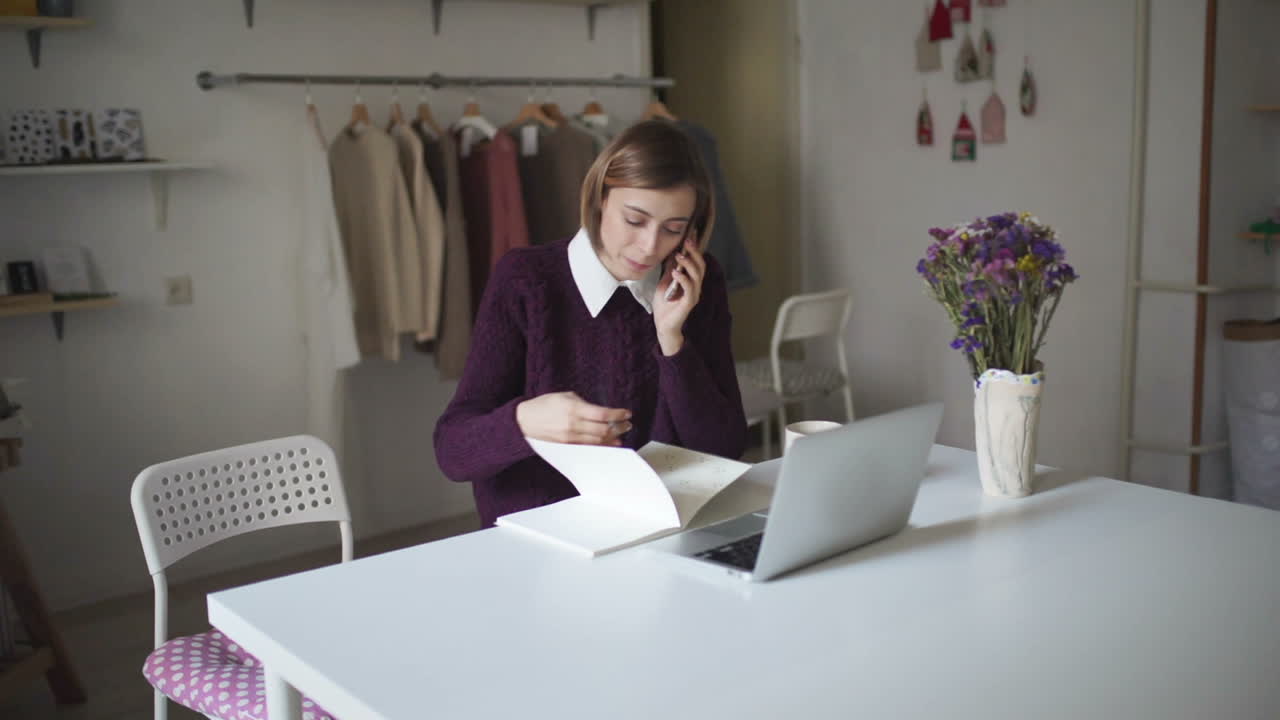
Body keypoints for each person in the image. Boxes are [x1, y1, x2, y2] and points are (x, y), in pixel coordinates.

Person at [433, 120, 748, 528]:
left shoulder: (697, 284)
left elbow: (724, 448)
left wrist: (672, 341)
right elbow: (452, 452)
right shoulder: (526, 279)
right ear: (599, 198)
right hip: (539, 539)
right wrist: (525, 422)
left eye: (673, 229)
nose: (651, 246)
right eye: (635, 220)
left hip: (654, 533)